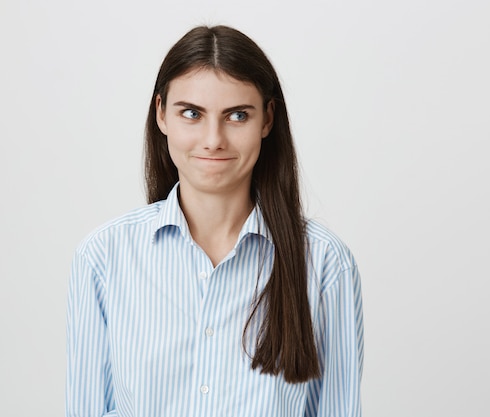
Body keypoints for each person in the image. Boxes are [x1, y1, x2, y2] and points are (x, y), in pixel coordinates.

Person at [66, 25, 363, 417]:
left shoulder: (325, 264)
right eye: (191, 113)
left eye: (237, 115)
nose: (213, 139)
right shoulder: (103, 257)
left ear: (267, 120)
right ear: (161, 114)